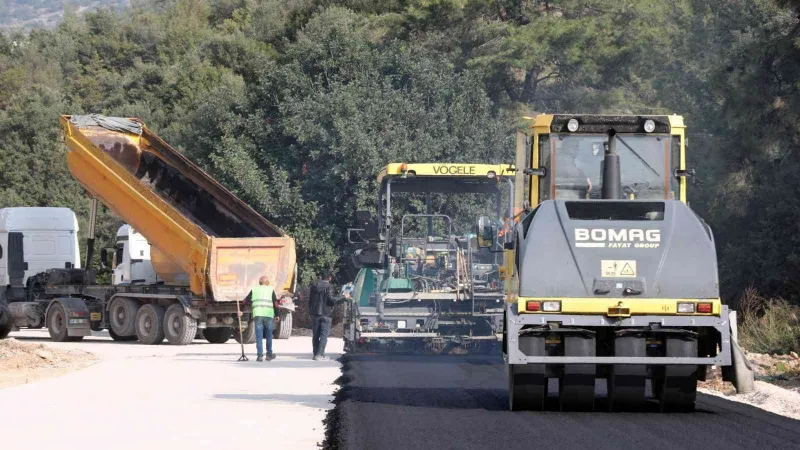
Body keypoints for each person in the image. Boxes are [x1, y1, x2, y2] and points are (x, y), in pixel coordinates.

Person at [308, 271, 350, 361]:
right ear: (329, 278)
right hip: (326, 314)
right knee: (324, 335)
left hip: (315, 314)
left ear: (321, 277)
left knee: (315, 335)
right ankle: (320, 355)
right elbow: (332, 300)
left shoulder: (314, 286)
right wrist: (344, 297)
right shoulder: (329, 287)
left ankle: (315, 354)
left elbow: (310, 301)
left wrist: (310, 312)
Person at [241, 276, 279, 362]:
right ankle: (269, 355)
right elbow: (275, 303)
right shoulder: (270, 290)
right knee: (269, 335)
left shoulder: (254, 289)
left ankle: (260, 356)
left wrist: (241, 310)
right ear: (266, 282)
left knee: (259, 336)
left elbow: (245, 301)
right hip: (268, 315)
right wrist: (277, 315)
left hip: (258, 315)